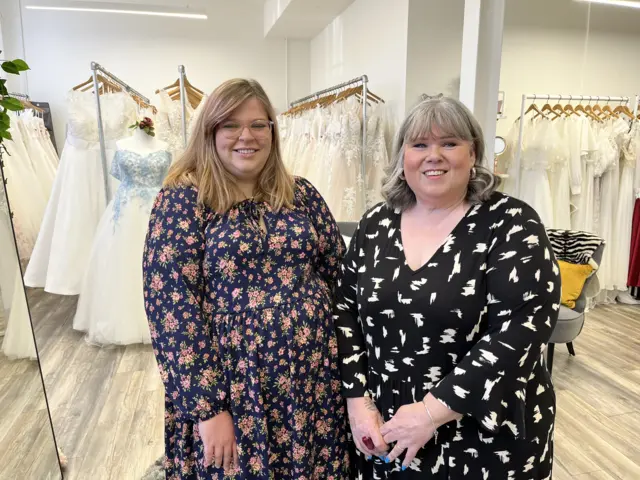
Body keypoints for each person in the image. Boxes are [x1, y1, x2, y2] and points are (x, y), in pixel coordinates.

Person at [334, 96, 561, 479]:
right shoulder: (376, 225)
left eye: (449, 144)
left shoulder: (512, 224)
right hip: (387, 429)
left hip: (481, 433)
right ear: (402, 156)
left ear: (473, 154)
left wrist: (429, 412)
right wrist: (357, 402)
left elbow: (523, 329)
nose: (433, 156)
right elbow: (344, 313)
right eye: (419, 145)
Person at [142, 78, 350, 480]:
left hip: (311, 383)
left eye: (259, 124)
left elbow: (338, 275)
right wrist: (209, 408)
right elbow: (171, 309)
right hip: (236, 389)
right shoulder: (185, 201)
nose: (246, 136)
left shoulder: (301, 194)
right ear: (210, 132)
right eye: (230, 125)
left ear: (272, 130)